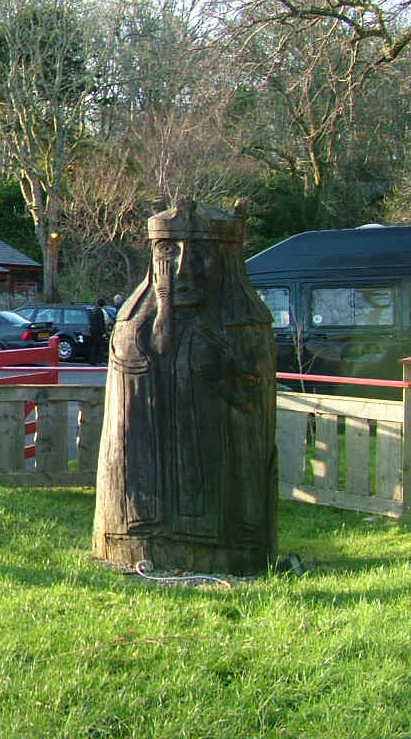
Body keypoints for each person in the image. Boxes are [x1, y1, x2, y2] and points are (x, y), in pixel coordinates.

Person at [92, 199, 277, 575]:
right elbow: (131, 396)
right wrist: (161, 309)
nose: (182, 267)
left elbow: (249, 398)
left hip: (214, 462)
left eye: (202, 253)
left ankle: (234, 542)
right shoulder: (133, 322)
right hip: (152, 478)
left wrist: (226, 376)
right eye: (167, 251)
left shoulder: (243, 322)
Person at [87, 297, 108, 364]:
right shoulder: (100, 312)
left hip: (93, 331)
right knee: (99, 347)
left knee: (93, 346)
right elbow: (101, 323)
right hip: (99, 332)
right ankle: (99, 360)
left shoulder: (93, 311)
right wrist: (104, 332)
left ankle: (92, 360)